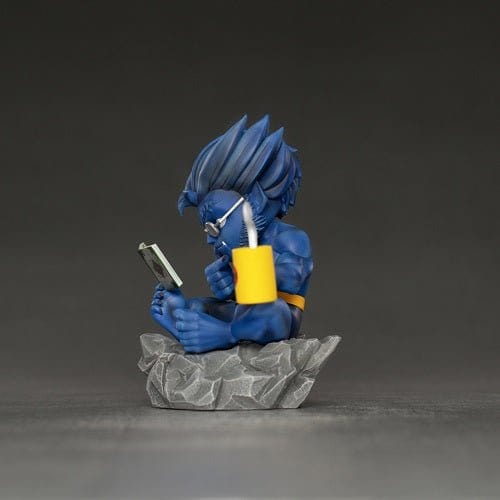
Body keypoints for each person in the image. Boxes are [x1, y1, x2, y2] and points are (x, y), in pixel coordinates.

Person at [150, 115, 313, 353]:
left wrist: (238, 273)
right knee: (197, 307)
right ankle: (186, 328)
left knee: (273, 310)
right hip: (244, 315)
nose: (210, 238)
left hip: (277, 322)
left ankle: (223, 334)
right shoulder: (239, 247)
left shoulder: (290, 238)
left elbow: (294, 275)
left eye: (215, 226)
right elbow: (242, 297)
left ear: (255, 201)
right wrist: (230, 288)